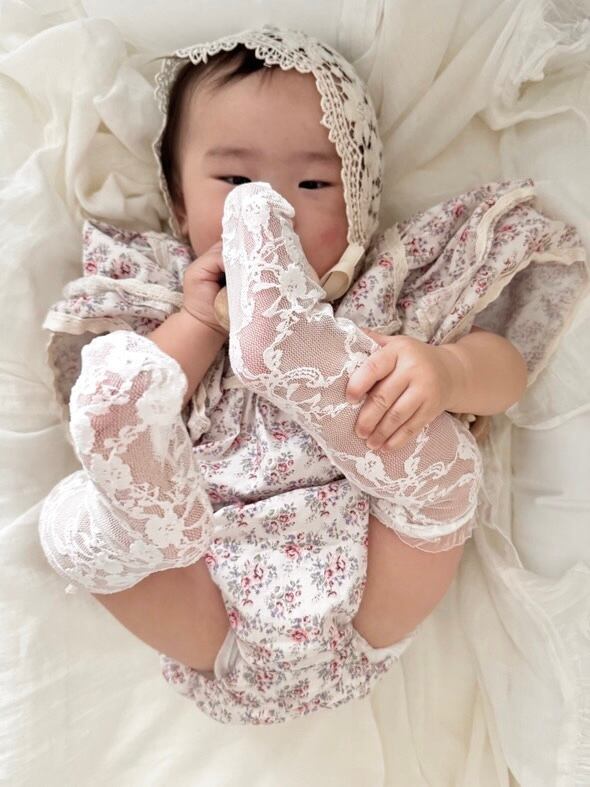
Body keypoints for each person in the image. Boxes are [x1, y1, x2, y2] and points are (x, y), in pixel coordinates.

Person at [38, 26, 586, 726]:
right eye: (237, 183)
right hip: (208, 596)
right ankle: (151, 522)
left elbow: (507, 373)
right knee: (78, 518)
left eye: (313, 183)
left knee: (445, 476)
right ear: (178, 203)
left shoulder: (389, 291)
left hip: (373, 591)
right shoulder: (164, 297)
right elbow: (130, 403)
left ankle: (304, 354)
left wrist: (448, 371)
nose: (278, 207)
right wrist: (203, 321)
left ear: (359, 203)